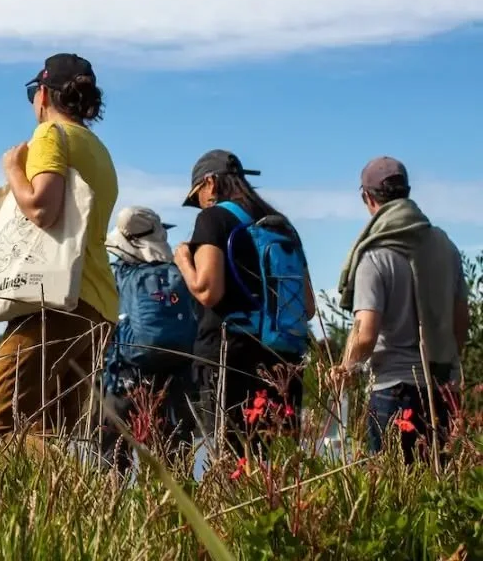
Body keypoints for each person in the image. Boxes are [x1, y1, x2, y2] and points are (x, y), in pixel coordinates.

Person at [0, 53, 119, 446]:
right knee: (48, 431)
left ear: (42, 94)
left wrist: (13, 168)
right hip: (98, 306)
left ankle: (83, 482)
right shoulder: (98, 150)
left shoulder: (50, 135)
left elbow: (41, 207)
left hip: (56, 301)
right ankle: (78, 486)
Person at [174, 150, 316, 459]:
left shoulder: (213, 218)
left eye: (197, 195)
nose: (200, 203)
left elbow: (208, 291)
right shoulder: (282, 226)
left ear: (210, 182)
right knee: (278, 465)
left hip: (229, 358)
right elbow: (308, 306)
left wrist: (183, 260)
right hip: (283, 363)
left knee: (231, 463)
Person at [332, 157, 469, 464]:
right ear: (407, 191)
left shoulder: (375, 254)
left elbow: (365, 334)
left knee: (393, 488)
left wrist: (345, 368)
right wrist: (446, 364)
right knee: (436, 483)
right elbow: (462, 320)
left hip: (392, 391)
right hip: (440, 388)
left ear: (367, 197)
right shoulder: (445, 245)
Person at [100, 206, 198, 473]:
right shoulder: (176, 274)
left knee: (112, 459)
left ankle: (112, 495)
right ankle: (179, 499)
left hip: (124, 377)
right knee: (175, 459)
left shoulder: (117, 272)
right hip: (173, 377)